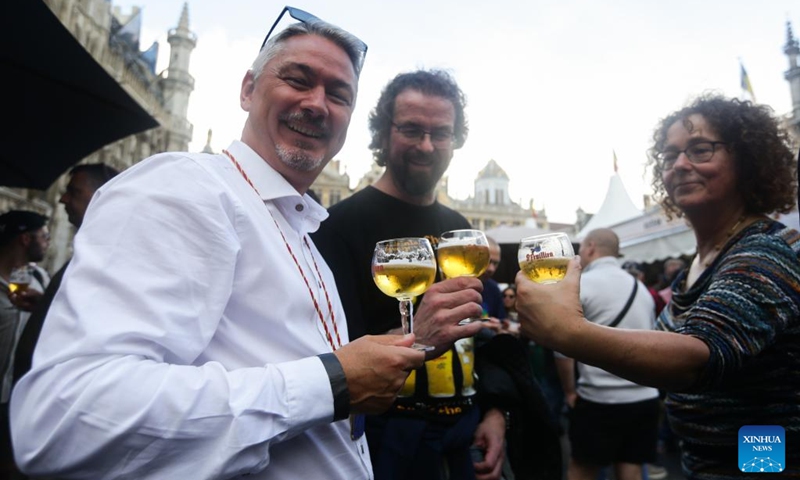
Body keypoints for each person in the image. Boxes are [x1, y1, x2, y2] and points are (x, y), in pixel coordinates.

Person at [10, 11, 482, 479]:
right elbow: (65, 417)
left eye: (338, 95)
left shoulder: (299, 228)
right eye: (298, 79)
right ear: (248, 89)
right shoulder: (185, 188)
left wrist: (406, 342)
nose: (317, 104)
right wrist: (332, 382)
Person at [515, 94, 800, 479]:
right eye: (670, 156)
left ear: (747, 161)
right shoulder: (699, 265)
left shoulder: (768, 249)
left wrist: (565, 331)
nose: (680, 164)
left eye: (700, 149)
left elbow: (698, 357)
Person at [313, 69, 508, 480]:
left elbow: (478, 328)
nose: (427, 145)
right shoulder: (337, 226)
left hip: (461, 433)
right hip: (384, 439)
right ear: (383, 134)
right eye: (411, 130)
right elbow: (326, 352)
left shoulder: (459, 229)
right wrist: (416, 338)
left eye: (441, 133)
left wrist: (494, 410)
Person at [555, 229, 660, 480]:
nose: (579, 254)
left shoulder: (582, 284)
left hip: (599, 398)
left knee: (582, 468)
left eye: (581, 249)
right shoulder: (640, 287)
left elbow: (562, 349)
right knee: (630, 469)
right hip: (644, 398)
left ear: (591, 247)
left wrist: (569, 391)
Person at [11, 163, 120, 384]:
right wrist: (48, 305)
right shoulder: (91, 251)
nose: (63, 200)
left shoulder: (109, 258)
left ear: (103, 196)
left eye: (74, 191)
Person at [0, 210, 50, 479]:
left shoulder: (40, 279)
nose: (48, 243)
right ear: (24, 239)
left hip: (17, 402)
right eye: (44, 236)